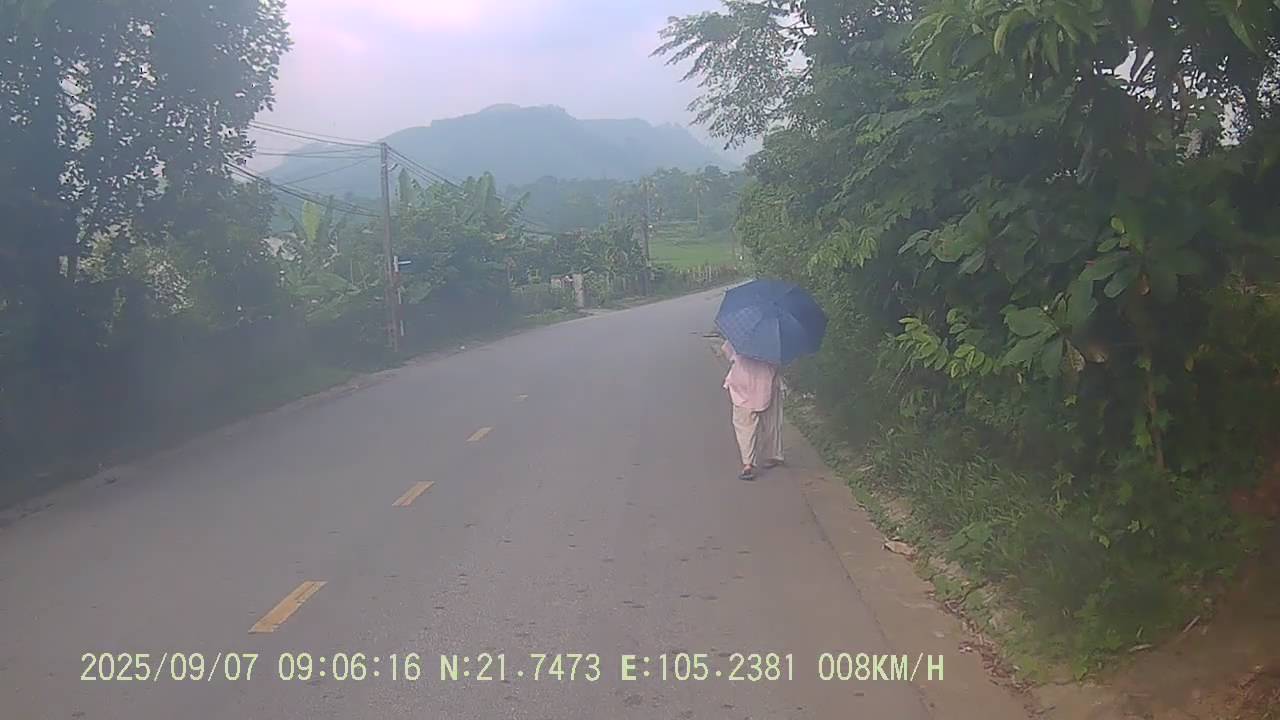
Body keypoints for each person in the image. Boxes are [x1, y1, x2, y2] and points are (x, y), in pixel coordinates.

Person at [722, 339, 783, 480]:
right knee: (771, 422)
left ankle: (748, 463)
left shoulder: (741, 333)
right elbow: (779, 361)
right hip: (766, 383)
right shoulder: (774, 339)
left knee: (744, 426)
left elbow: (726, 350)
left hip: (742, 382)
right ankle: (772, 455)